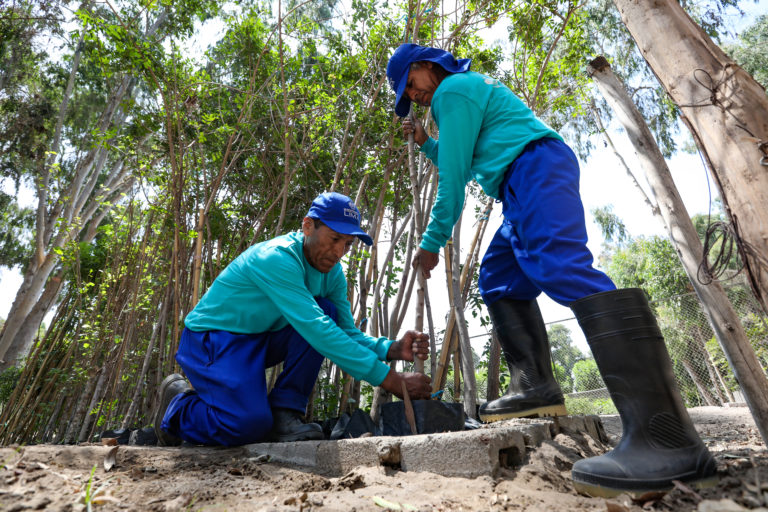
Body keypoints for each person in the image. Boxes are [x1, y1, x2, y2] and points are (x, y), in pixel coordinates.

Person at [386, 43, 716, 497]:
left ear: (424, 67)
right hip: (521, 179)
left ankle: (668, 442)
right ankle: (536, 386)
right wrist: (427, 145)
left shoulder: (453, 91)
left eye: (410, 85)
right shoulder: (463, 92)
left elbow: (455, 180)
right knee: (499, 275)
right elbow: (457, 155)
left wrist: (430, 243)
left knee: (563, 268)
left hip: (532, 170)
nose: (415, 97)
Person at [153, 191, 432, 447]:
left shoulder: (332, 274)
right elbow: (318, 330)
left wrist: (390, 349)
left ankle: (284, 414)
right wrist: (390, 379)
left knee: (326, 311)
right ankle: (177, 408)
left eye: (347, 244)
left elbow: (343, 331)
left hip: (258, 340)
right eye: (334, 239)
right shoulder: (277, 258)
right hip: (211, 340)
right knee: (245, 425)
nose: (339, 253)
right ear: (308, 226)